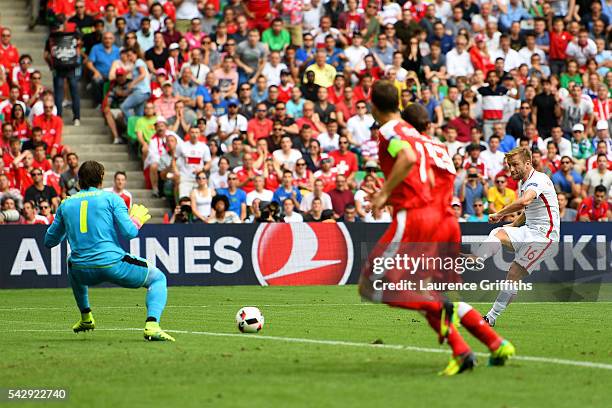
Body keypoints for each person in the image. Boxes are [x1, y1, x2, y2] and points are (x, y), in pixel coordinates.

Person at [360, 83, 514, 376]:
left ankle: (453, 326)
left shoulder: (395, 134)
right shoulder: (437, 147)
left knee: (374, 286)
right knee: (426, 293)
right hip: (445, 221)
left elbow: (410, 168)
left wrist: (386, 195)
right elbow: (427, 184)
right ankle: (487, 344)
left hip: (419, 219)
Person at [44, 161, 174, 341]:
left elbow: (49, 241)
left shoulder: (65, 204)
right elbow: (129, 233)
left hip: (83, 272)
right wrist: (135, 220)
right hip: (113, 264)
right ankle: (152, 324)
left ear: (79, 180)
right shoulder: (112, 198)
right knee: (158, 278)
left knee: (71, 260)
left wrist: (67, 224)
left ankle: (86, 317)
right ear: (101, 178)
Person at [466, 147, 560, 327]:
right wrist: (514, 224)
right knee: (497, 232)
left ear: (528, 163)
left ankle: (490, 318)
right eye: (509, 166)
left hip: (544, 236)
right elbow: (528, 209)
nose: (512, 170)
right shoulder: (524, 183)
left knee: (514, 273)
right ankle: (479, 259)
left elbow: (524, 201)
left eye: (515, 165)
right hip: (529, 230)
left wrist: (500, 213)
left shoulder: (539, 179)